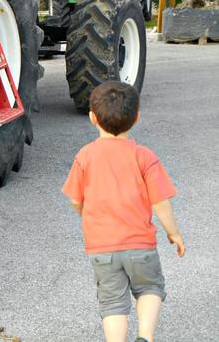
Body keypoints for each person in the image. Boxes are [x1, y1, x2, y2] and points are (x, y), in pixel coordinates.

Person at [62, 81, 185, 342]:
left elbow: (74, 199)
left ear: (92, 118)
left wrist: (85, 213)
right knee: (150, 288)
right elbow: (160, 201)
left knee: (112, 304)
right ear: (136, 118)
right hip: (140, 244)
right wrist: (173, 233)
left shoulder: (84, 156)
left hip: (101, 247)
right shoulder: (144, 157)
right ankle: (145, 337)